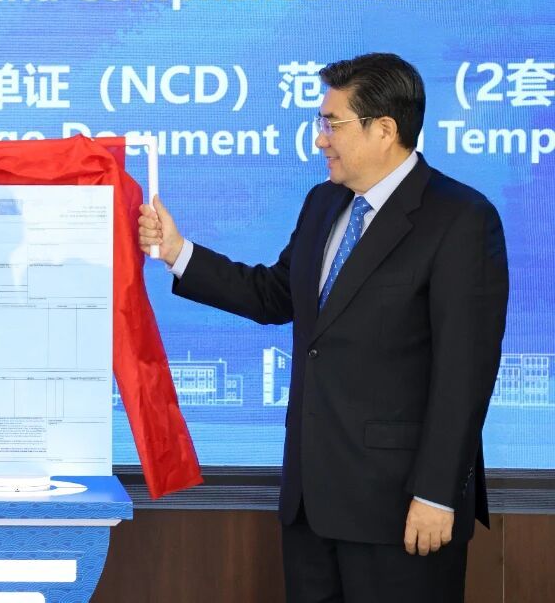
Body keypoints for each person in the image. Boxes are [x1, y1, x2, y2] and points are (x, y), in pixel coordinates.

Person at [138, 52, 508, 602]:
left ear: (385, 129)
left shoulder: (460, 218)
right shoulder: (323, 203)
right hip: (311, 504)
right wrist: (177, 251)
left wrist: (436, 494)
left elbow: (465, 373)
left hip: (399, 509)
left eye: (332, 124)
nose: (320, 139)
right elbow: (274, 294)